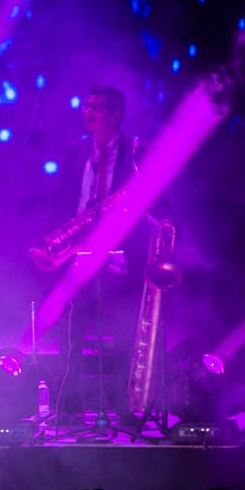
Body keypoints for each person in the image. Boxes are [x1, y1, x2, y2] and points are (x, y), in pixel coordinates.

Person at [42, 85, 147, 425]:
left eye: (98, 107)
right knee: (71, 332)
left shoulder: (135, 152)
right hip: (80, 254)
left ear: (116, 115)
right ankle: (69, 408)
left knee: (122, 333)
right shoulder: (75, 151)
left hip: (120, 255)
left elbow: (151, 199)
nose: (88, 112)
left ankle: (124, 407)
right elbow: (61, 201)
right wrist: (55, 241)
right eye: (87, 105)